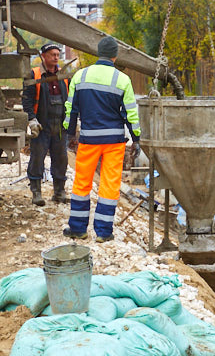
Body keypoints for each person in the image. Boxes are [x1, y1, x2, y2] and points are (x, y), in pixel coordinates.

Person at [61, 35, 140, 242]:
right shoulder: (123, 80)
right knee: (110, 185)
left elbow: (70, 109)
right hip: (114, 142)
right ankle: (104, 233)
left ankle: (78, 229)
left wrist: (69, 134)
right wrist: (136, 139)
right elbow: (131, 113)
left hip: (88, 140)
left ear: (99, 53)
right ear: (115, 56)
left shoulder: (80, 76)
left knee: (82, 183)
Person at [21, 44, 71, 206]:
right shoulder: (34, 74)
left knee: (61, 158)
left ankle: (59, 192)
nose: (56, 57)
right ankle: (36, 192)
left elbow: (69, 99)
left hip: (60, 125)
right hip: (42, 125)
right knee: (37, 158)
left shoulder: (63, 75)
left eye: (58, 54)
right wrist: (32, 120)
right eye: (52, 55)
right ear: (43, 56)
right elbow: (27, 100)